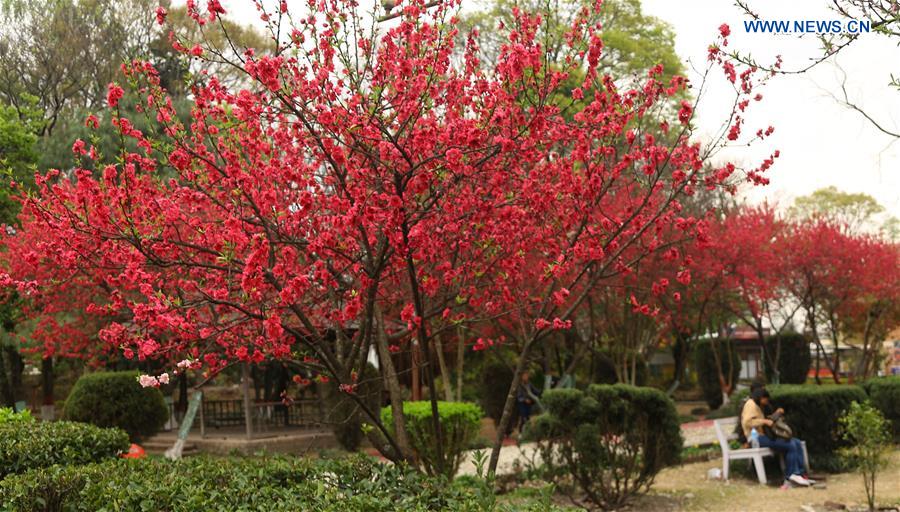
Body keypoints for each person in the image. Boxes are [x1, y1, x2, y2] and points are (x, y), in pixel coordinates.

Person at [741, 388, 811, 487]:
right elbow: (747, 422)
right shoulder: (750, 405)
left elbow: (767, 419)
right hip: (756, 438)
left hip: (764, 435)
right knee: (790, 445)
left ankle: (800, 473)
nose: (767, 401)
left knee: (797, 442)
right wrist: (764, 421)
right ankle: (791, 475)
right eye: (766, 399)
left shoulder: (759, 405)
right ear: (761, 397)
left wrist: (775, 415)